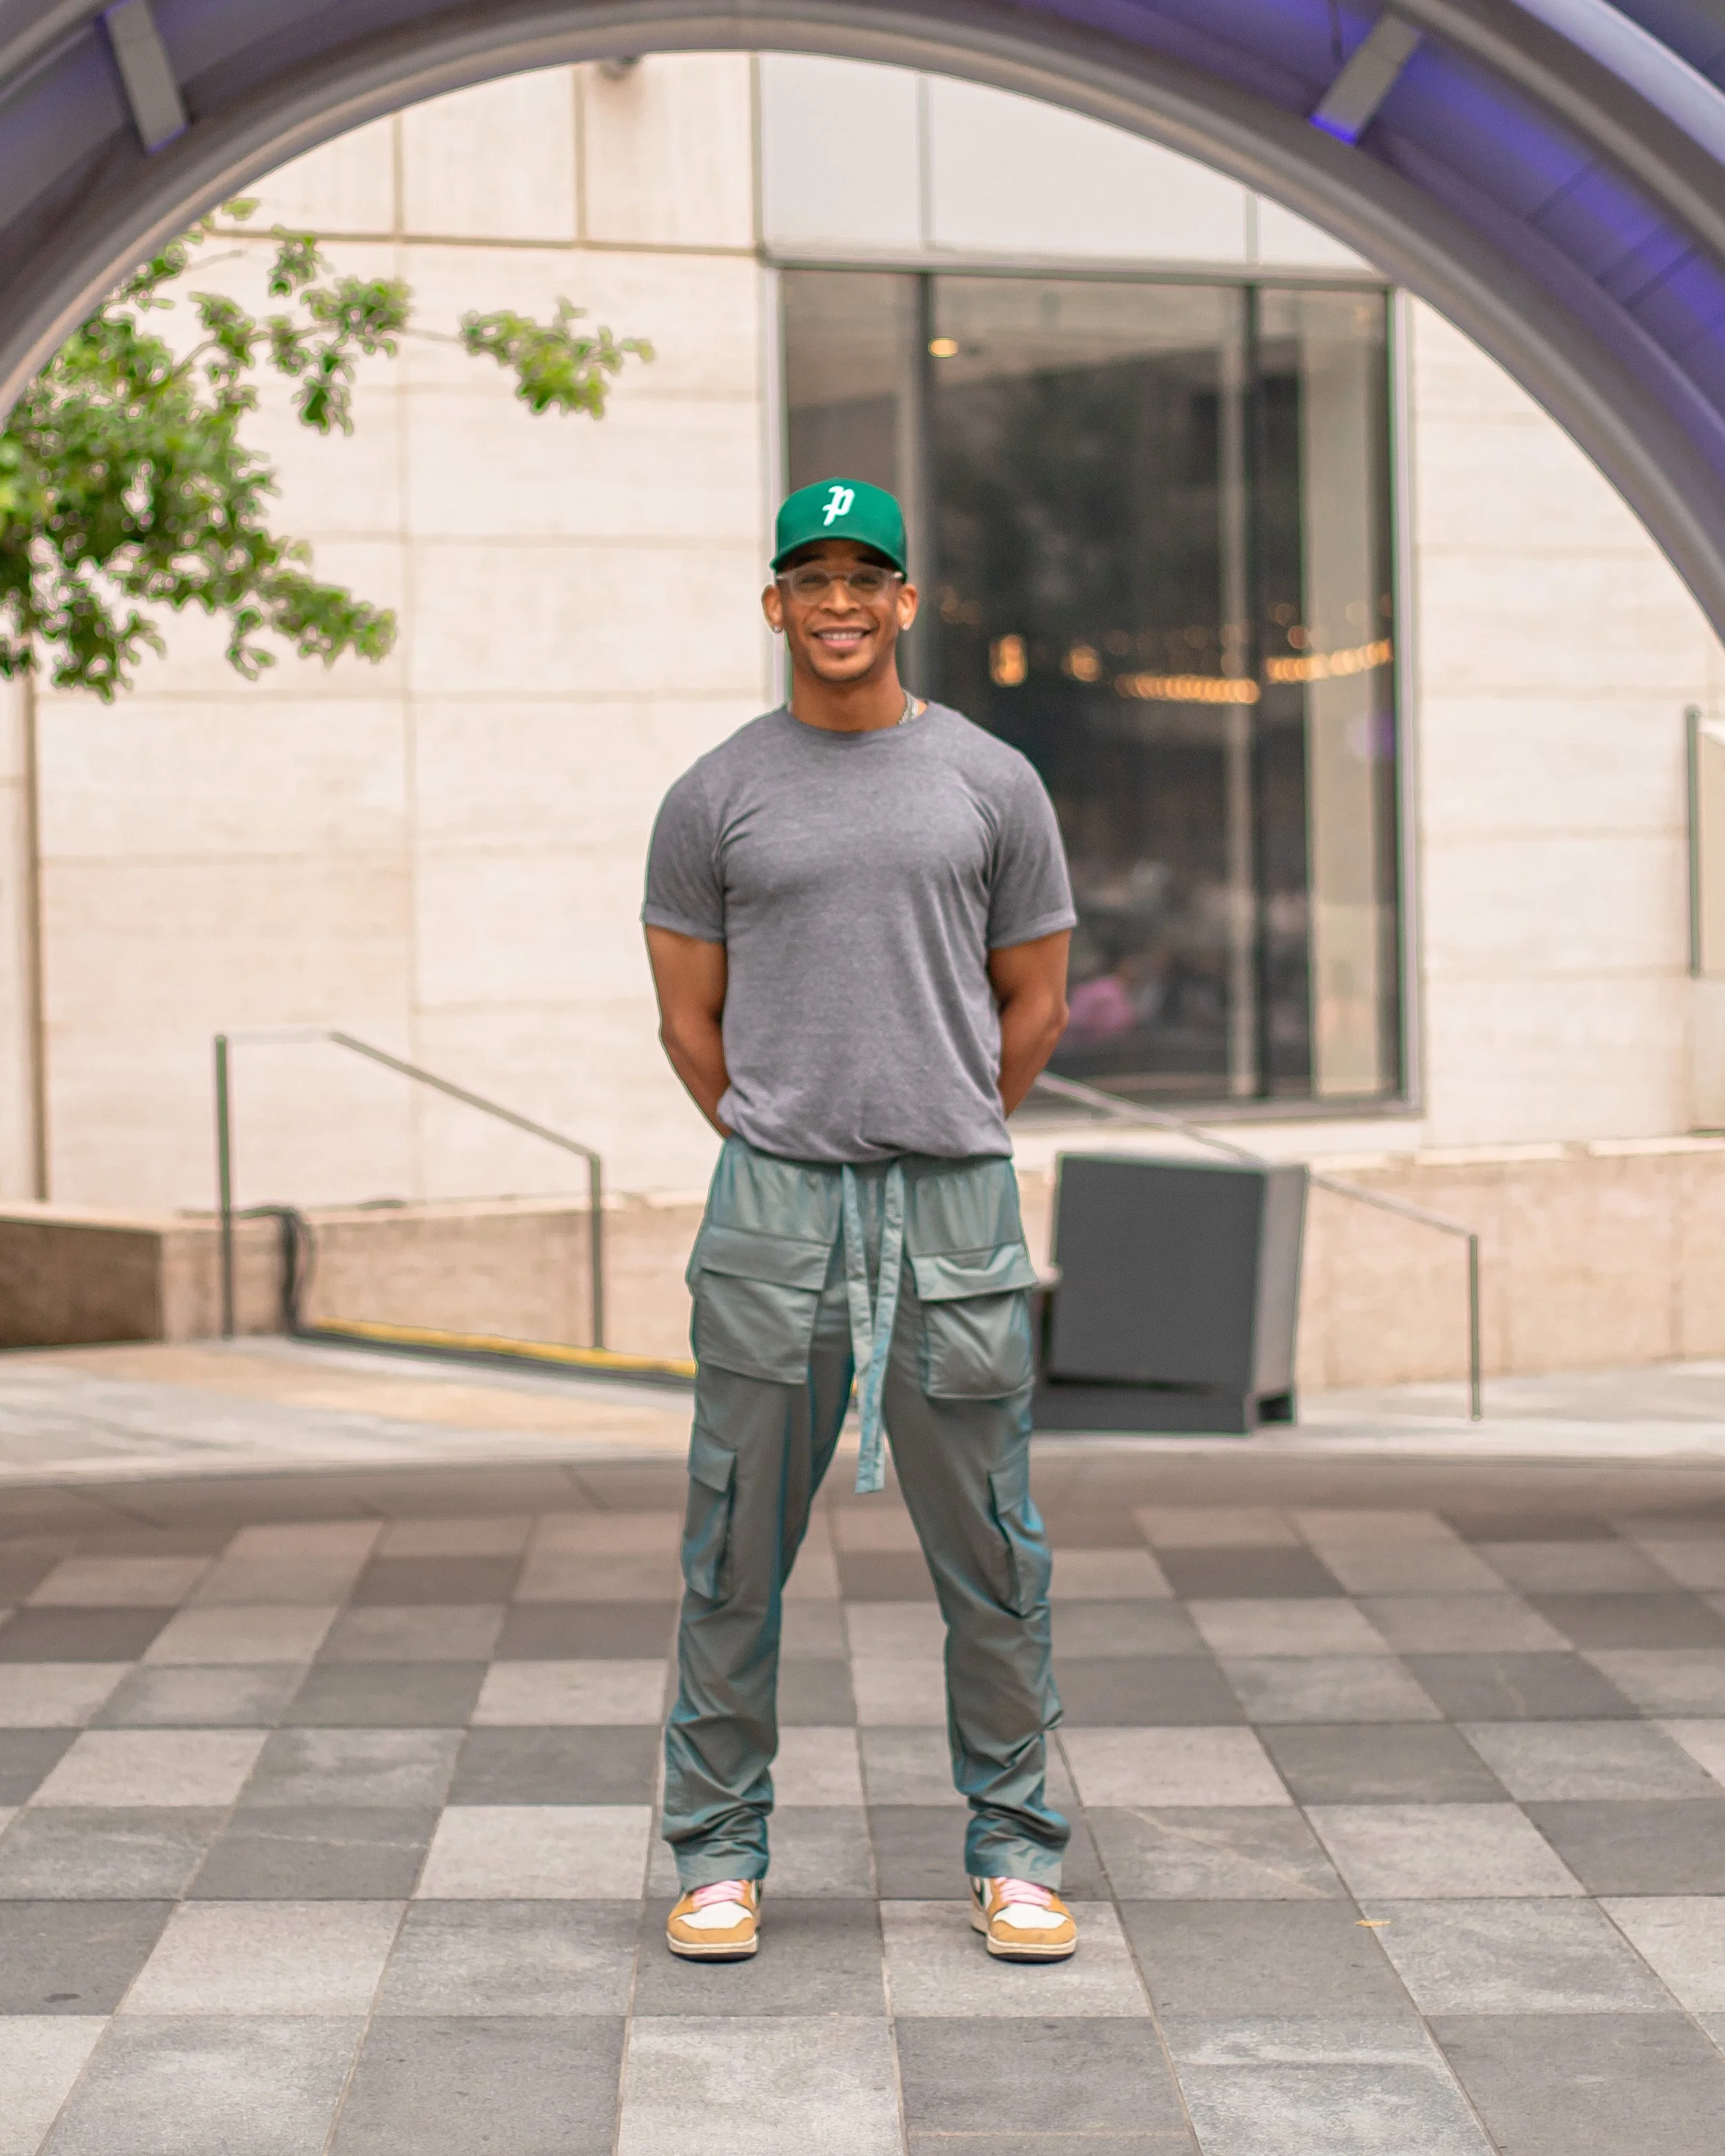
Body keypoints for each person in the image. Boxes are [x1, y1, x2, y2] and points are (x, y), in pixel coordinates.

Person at [642, 476, 1078, 1964]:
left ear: (905, 602)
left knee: (997, 1555)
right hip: (774, 1206)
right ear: (774, 604)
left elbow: (1034, 998)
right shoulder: (712, 794)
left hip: (952, 1201)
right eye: (809, 577)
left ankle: (1014, 1849)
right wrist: (793, 1134)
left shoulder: (990, 780)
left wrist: (939, 1114)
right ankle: (715, 1853)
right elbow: (687, 1023)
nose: (838, 602)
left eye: (865, 576)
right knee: (727, 1552)